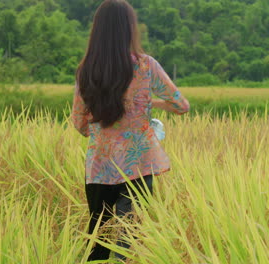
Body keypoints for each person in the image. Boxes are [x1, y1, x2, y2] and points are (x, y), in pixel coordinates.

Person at [71, 0, 190, 261]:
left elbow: (79, 122)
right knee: (126, 242)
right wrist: (150, 102)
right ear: (129, 29)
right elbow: (181, 105)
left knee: (98, 241)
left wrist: (104, 135)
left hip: (100, 167)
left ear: (97, 30)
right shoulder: (147, 66)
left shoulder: (86, 70)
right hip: (138, 166)